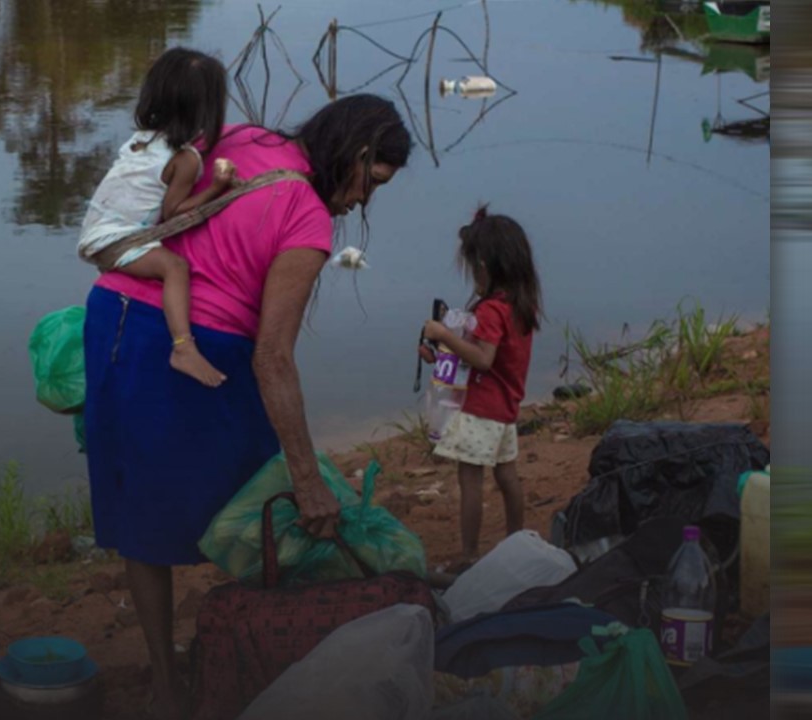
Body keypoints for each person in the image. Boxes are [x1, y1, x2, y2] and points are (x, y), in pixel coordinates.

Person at [82, 93, 411, 720]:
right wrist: (309, 481)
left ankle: (168, 684)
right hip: (195, 345)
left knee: (143, 513)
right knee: (268, 501)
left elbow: (149, 172)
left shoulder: (239, 138)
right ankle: (246, 658)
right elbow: (273, 358)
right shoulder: (307, 216)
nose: (364, 199)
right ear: (357, 153)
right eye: (371, 180)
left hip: (116, 318)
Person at [77, 47, 237, 388]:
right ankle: (183, 348)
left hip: (94, 230)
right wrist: (217, 188)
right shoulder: (185, 159)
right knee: (175, 268)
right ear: (208, 109)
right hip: (118, 240)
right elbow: (174, 213)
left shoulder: (143, 139)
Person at [418, 206, 542, 568]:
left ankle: (470, 555)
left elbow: (484, 359)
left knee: (470, 480)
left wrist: (442, 334)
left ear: (484, 265)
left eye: (473, 267)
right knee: (507, 475)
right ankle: (516, 541)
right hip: (505, 407)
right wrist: (440, 354)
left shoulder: (491, 310)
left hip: (480, 410)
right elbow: (489, 359)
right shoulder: (519, 305)